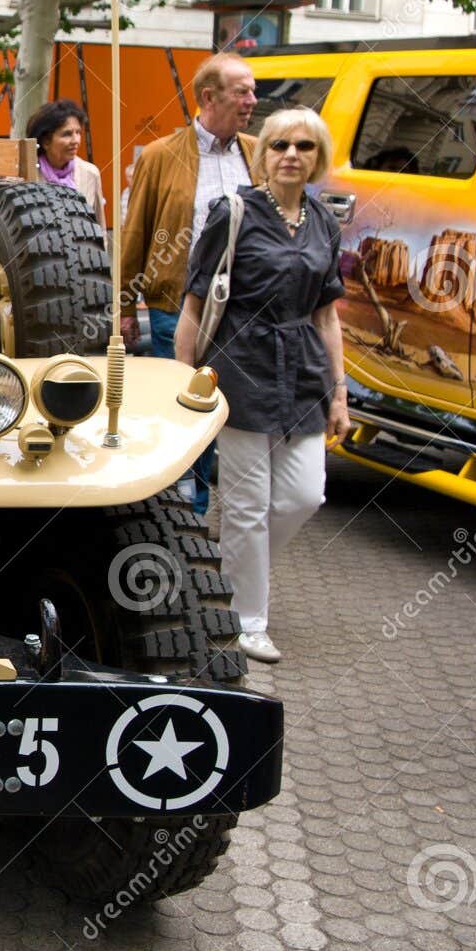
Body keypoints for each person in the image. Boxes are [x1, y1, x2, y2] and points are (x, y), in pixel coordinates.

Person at [175, 106, 349, 664]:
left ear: (318, 156)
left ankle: (233, 575)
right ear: (262, 153)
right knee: (247, 505)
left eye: (304, 146)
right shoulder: (233, 212)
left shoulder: (325, 221)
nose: (291, 155)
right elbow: (196, 301)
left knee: (304, 495)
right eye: (280, 145)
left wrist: (339, 393)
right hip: (240, 364)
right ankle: (248, 621)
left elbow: (328, 316)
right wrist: (186, 380)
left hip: (302, 370)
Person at [120, 52, 257, 515]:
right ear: (208, 96)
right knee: (183, 409)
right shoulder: (161, 156)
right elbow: (136, 232)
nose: (252, 101)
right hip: (175, 305)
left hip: (244, 309)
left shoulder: (258, 153)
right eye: (242, 91)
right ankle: (185, 511)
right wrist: (123, 305)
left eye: (252, 91)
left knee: (235, 410)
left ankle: (235, 509)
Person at [26, 99, 106, 223]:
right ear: (46, 141)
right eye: (67, 134)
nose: (76, 141)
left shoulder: (90, 173)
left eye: (78, 132)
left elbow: (99, 228)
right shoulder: (27, 174)